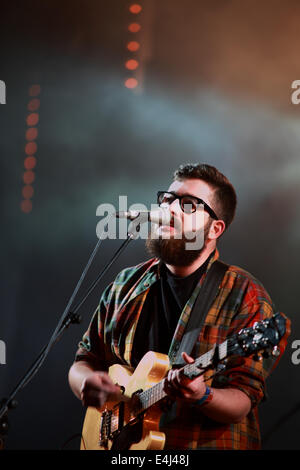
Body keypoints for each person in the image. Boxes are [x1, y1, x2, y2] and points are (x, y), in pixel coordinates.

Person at [68, 163, 290, 450]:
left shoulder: (244, 294)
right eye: (168, 199)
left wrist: (202, 394)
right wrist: (87, 382)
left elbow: (242, 401)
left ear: (214, 229)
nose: (169, 209)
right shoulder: (126, 284)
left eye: (188, 204)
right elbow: (83, 361)